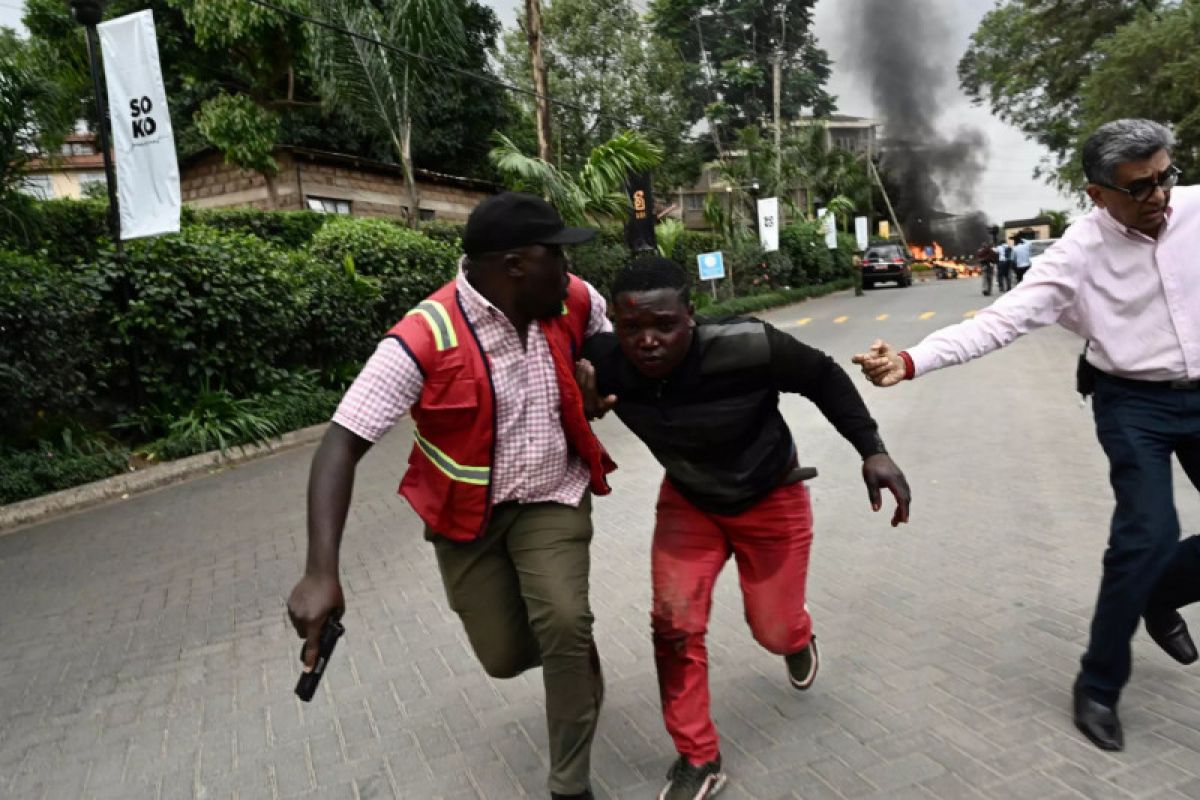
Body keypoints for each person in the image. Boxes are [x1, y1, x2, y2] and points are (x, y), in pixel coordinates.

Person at [851, 119, 1200, 753]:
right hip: (1133, 404)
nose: (1159, 197)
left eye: (1166, 177)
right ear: (1097, 195)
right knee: (1146, 536)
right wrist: (909, 360)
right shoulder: (1075, 256)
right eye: (1139, 188)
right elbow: (998, 321)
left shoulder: (1196, 210)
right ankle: (1098, 683)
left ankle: (1159, 594)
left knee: (1152, 565)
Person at [286, 193, 616, 800]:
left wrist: (597, 372)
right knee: (504, 655)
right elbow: (340, 444)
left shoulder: (567, 297)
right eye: (558, 256)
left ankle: (570, 782)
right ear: (515, 264)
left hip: (553, 494)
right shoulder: (424, 334)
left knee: (564, 624)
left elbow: (605, 332)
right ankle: (570, 648)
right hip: (469, 521)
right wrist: (319, 571)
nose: (570, 272)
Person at [577, 256, 911, 800]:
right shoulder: (601, 364)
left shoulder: (747, 344)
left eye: (665, 325)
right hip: (690, 502)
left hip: (771, 495)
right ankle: (697, 755)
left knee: (773, 630)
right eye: (632, 327)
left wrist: (873, 451)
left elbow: (823, 375)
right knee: (673, 625)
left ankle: (797, 637)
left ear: (692, 315)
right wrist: (580, 403)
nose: (649, 341)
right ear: (614, 320)